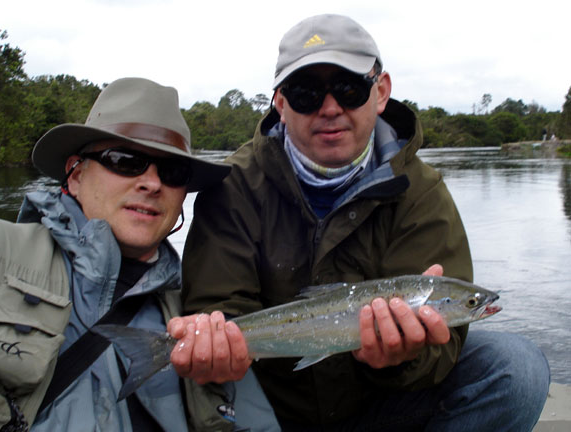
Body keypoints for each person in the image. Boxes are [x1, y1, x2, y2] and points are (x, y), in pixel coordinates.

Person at [172, 14, 550, 431]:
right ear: (280, 104)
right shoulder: (233, 185)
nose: (330, 108)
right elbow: (218, 308)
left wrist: (401, 358)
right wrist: (217, 343)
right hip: (267, 404)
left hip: (380, 403)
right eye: (305, 94)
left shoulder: (420, 192)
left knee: (517, 368)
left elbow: (442, 354)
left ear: (381, 91)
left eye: (350, 90)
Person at [0, 78, 277, 431]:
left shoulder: (199, 317)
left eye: (172, 171)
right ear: (75, 174)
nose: (151, 183)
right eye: (125, 160)